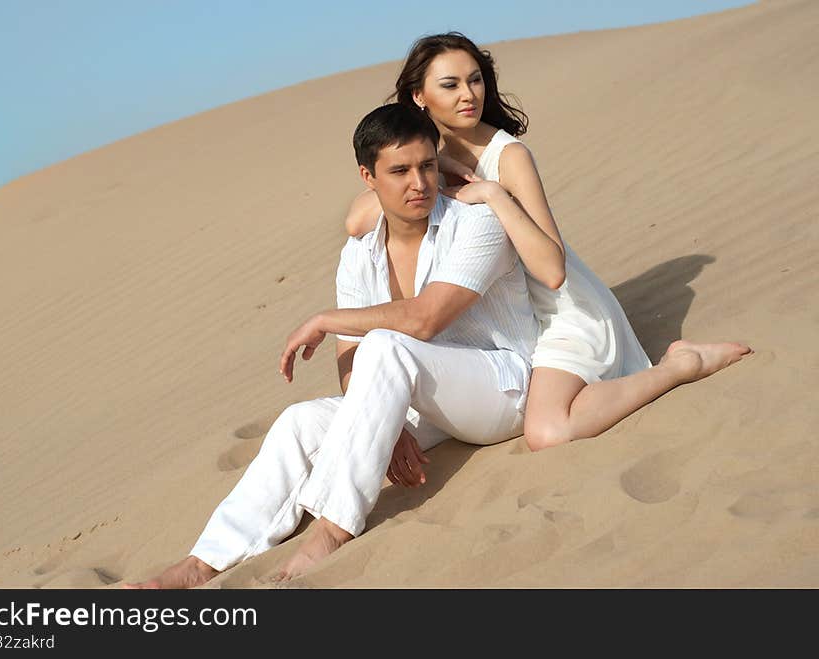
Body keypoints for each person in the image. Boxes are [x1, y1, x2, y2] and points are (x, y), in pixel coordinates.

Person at [126, 102, 541, 589]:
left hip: (503, 390)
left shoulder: (476, 224)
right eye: (400, 171)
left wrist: (325, 319)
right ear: (369, 176)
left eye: (428, 166)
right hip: (423, 396)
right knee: (299, 423)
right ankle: (201, 564)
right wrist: (381, 421)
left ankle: (331, 529)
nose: (420, 183)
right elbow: (351, 355)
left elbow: (425, 319)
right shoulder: (360, 254)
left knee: (386, 346)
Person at [344, 33, 752, 457]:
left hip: (561, 315)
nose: (469, 95)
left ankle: (681, 366)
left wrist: (495, 196)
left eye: (476, 80)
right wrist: (442, 164)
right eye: (451, 85)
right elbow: (357, 220)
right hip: (512, 328)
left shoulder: (508, 157)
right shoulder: (423, 162)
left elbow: (553, 270)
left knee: (548, 432)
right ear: (419, 96)